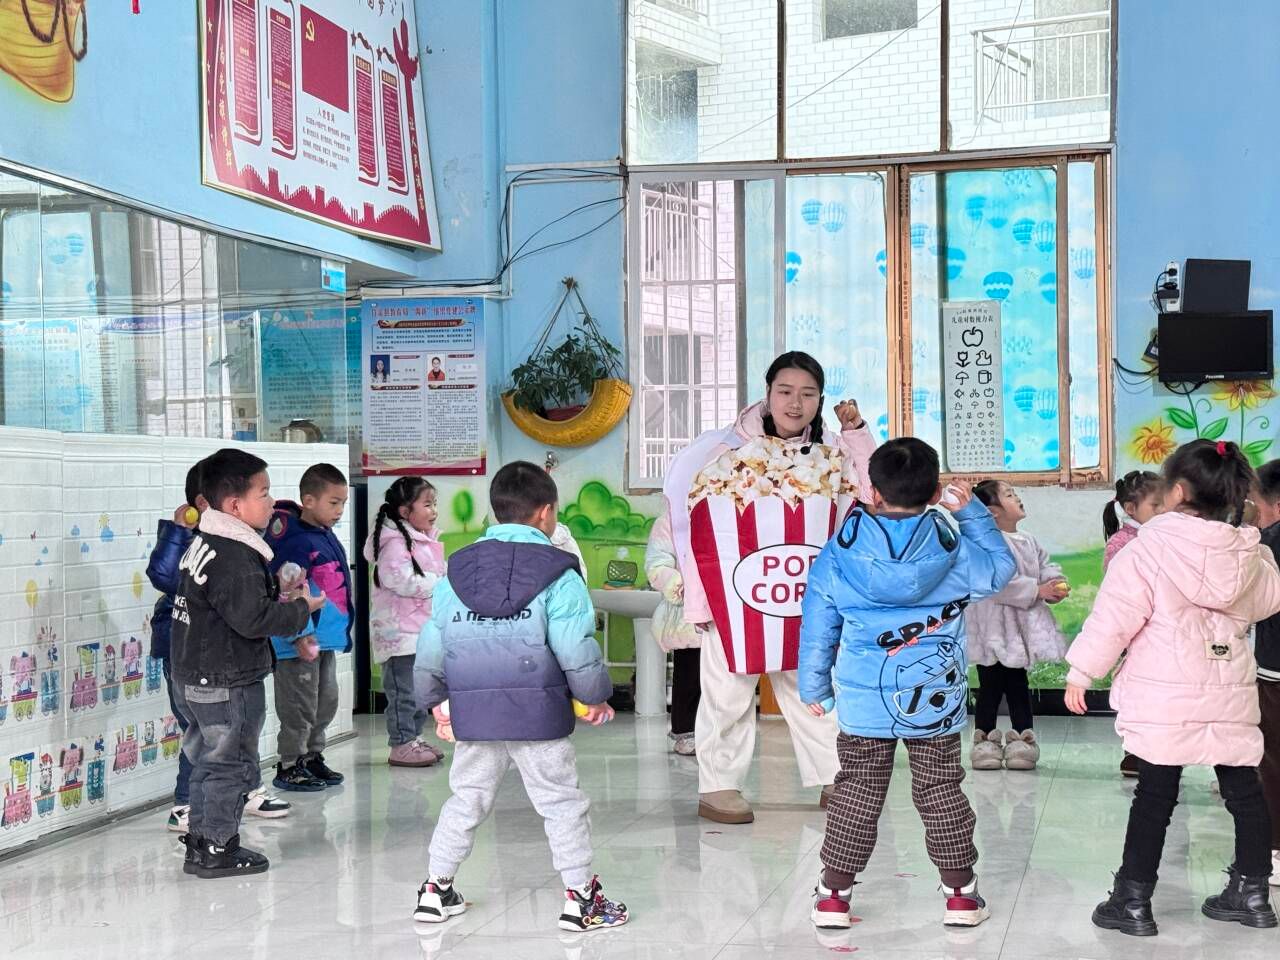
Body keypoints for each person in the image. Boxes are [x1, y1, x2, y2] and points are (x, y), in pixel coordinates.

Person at [798, 439, 1016, 930]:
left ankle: (833, 897)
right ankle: (961, 896)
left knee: (856, 792)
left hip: (863, 703)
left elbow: (818, 623)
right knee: (941, 790)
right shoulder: (953, 547)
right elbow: (1001, 570)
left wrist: (814, 686)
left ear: (872, 491)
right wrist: (972, 513)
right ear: (936, 493)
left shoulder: (839, 553)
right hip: (935, 700)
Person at [1066, 439, 1280, 937]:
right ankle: (1252, 893)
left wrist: (1082, 672)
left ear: (1178, 491)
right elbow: (1269, 600)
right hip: (1228, 689)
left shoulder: (1147, 550)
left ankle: (1132, 900)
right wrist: (1255, 542)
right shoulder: (1249, 554)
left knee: (1155, 795)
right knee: (1244, 790)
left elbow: (1114, 618)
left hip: (1166, 695)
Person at [412, 461, 629, 933]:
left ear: (497, 511)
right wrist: (594, 695)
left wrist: (435, 702)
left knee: (466, 798)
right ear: (546, 512)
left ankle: (434, 890)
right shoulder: (560, 573)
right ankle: (581, 900)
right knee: (561, 802)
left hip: (475, 713)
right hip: (538, 713)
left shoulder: (457, 570)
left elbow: (432, 643)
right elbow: (575, 645)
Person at [661, 351, 876, 825]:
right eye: (785, 391)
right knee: (727, 689)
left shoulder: (834, 452)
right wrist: (701, 599)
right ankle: (718, 786)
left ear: (821, 400)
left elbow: (873, 492)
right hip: (733, 600)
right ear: (767, 393)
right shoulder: (721, 452)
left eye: (808, 394)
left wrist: (857, 432)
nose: (795, 403)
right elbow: (689, 528)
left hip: (807, 598)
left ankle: (835, 776)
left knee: (811, 686)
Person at [169, 448, 323, 878]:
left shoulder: (207, 542)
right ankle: (218, 846)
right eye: (264, 493)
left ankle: (202, 842)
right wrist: (302, 608)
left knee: (208, 762)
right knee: (230, 764)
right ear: (235, 506)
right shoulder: (235, 556)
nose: (272, 502)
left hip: (194, 675)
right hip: (225, 679)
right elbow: (253, 619)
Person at [966, 480, 1069, 771]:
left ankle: (1023, 740)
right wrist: (1036, 590)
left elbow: (1045, 565)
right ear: (993, 511)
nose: (1018, 498)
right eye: (1010, 495)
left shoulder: (1028, 540)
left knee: (1018, 683)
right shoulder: (985, 543)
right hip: (992, 629)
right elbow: (996, 584)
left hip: (1017, 629)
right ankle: (985, 739)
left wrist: (1054, 583)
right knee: (990, 684)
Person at [265, 463, 354, 792]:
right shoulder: (296, 541)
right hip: (299, 642)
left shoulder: (322, 534)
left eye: (343, 503)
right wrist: (299, 635)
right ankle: (291, 763)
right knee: (298, 704)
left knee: (325, 700)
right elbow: (287, 591)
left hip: (322, 641)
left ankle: (312, 756)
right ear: (309, 501)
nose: (340, 510)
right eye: (334, 502)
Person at [364, 477, 447, 767]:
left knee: (419, 691)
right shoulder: (394, 544)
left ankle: (414, 738)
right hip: (399, 634)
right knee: (404, 693)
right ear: (404, 511)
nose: (434, 510)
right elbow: (400, 580)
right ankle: (401, 744)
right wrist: (440, 583)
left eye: (434, 504)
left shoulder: (423, 540)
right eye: (427, 504)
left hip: (419, 631)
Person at [1100, 469, 1165, 778]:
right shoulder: (1121, 543)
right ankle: (1136, 752)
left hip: (1163, 632)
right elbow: (1119, 594)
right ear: (1130, 508)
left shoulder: (1166, 538)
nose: (1164, 511)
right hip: (1136, 632)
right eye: (1156, 505)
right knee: (1138, 695)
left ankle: (1161, 753)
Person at [645, 513, 703, 756]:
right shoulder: (670, 520)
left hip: (723, 612)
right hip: (686, 610)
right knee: (689, 673)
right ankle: (686, 732)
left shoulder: (725, 510)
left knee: (720, 679)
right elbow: (656, 564)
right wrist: (680, 585)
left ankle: (717, 732)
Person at [1251, 460, 1280, 887]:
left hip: (1276, 669)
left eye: (1255, 504)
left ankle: (1275, 848)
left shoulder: (1268, 544)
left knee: (1273, 757)